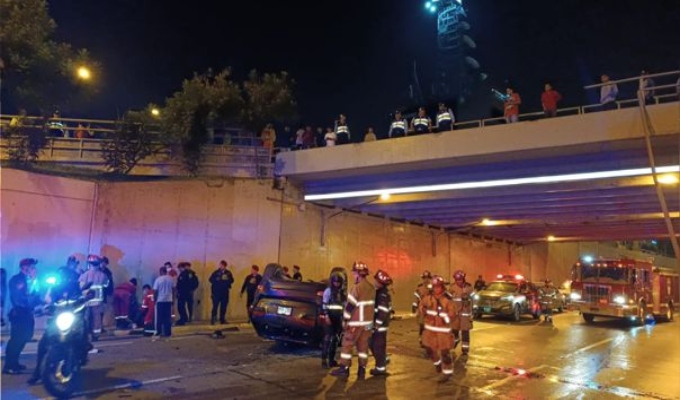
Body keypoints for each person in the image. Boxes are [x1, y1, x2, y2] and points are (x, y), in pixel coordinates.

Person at [330, 261, 376, 379]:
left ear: (358, 274)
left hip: (355, 323)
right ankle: (362, 370)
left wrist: (345, 320)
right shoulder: (372, 288)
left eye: (354, 272)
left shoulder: (357, 287)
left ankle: (344, 369)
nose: (353, 274)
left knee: (347, 345)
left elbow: (350, 305)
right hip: (368, 324)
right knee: (363, 347)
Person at [3, 258, 40, 375]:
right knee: (16, 340)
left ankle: (15, 362)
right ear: (24, 268)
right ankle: (9, 365)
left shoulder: (31, 280)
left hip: (27, 313)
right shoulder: (17, 280)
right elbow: (20, 298)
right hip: (19, 314)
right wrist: (31, 303)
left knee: (25, 337)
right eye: (31, 267)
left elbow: (36, 295)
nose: (34, 269)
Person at [419, 275, 455, 381]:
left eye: (438, 287)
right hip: (430, 330)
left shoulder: (447, 299)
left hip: (443, 331)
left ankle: (447, 372)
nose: (436, 289)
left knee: (445, 353)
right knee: (429, 350)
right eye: (435, 287)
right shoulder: (428, 298)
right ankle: (438, 364)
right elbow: (421, 306)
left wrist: (445, 319)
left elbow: (452, 314)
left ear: (442, 287)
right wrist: (423, 310)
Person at [79, 255, 110, 341]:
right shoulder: (103, 275)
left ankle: (86, 334)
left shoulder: (84, 275)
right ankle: (95, 335)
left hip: (86, 301)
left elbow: (80, 287)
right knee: (96, 319)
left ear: (89, 264)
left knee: (86, 318)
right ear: (98, 264)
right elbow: (106, 285)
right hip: (97, 301)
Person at [369, 269, 393, 376]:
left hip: (379, 325)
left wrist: (377, 324)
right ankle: (382, 360)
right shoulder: (379, 293)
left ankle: (380, 368)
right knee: (371, 343)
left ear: (381, 283)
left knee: (377, 346)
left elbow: (383, 311)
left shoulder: (382, 295)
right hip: (376, 324)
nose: (374, 282)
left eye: (376, 281)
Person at [321, 271, 346, 368]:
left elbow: (344, 306)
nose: (337, 284)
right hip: (330, 317)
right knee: (327, 338)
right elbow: (324, 304)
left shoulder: (342, 293)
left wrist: (344, 319)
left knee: (335, 339)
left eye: (339, 282)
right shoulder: (328, 291)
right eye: (335, 282)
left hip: (338, 318)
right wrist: (327, 316)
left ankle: (331, 360)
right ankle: (324, 360)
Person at [449, 270, 474, 357]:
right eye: (457, 280)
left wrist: (468, 301)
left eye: (460, 280)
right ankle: (453, 344)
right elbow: (448, 300)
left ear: (463, 279)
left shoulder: (469, 288)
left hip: (465, 314)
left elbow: (473, 300)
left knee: (465, 332)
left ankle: (465, 350)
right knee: (454, 331)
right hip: (455, 314)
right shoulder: (452, 288)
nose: (458, 281)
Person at [209, 260, 234, 325]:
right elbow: (210, 279)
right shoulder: (216, 272)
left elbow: (232, 280)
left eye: (222, 265)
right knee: (215, 305)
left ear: (225, 266)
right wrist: (217, 279)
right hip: (217, 291)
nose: (220, 266)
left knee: (224, 306)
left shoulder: (228, 273)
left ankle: (222, 319)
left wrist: (227, 280)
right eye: (220, 265)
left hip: (225, 292)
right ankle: (213, 318)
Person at [153, 266, 175, 338]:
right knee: (168, 317)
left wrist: (155, 300)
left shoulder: (158, 280)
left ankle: (159, 332)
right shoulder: (171, 279)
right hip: (168, 300)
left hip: (160, 300)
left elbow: (155, 291)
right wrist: (173, 299)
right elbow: (174, 290)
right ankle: (167, 332)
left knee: (159, 317)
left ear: (161, 272)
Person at [412, 270, 432, 347]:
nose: (426, 280)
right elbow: (416, 298)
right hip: (422, 309)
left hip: (431, 309)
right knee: (422, 325)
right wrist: (414, 305)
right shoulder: (419, 287)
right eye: (424, 278)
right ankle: (421, 340)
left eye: (427, 278)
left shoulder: (433, 287)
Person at [100, 256, 114, 332]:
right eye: (103, 263)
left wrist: (110, 292)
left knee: (102, 311)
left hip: (103, 294)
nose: (104, 265)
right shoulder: (96, 270)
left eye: (105, 263)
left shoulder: (108, 272)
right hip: (94, 295)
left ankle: (100, 326)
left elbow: (110, 283)